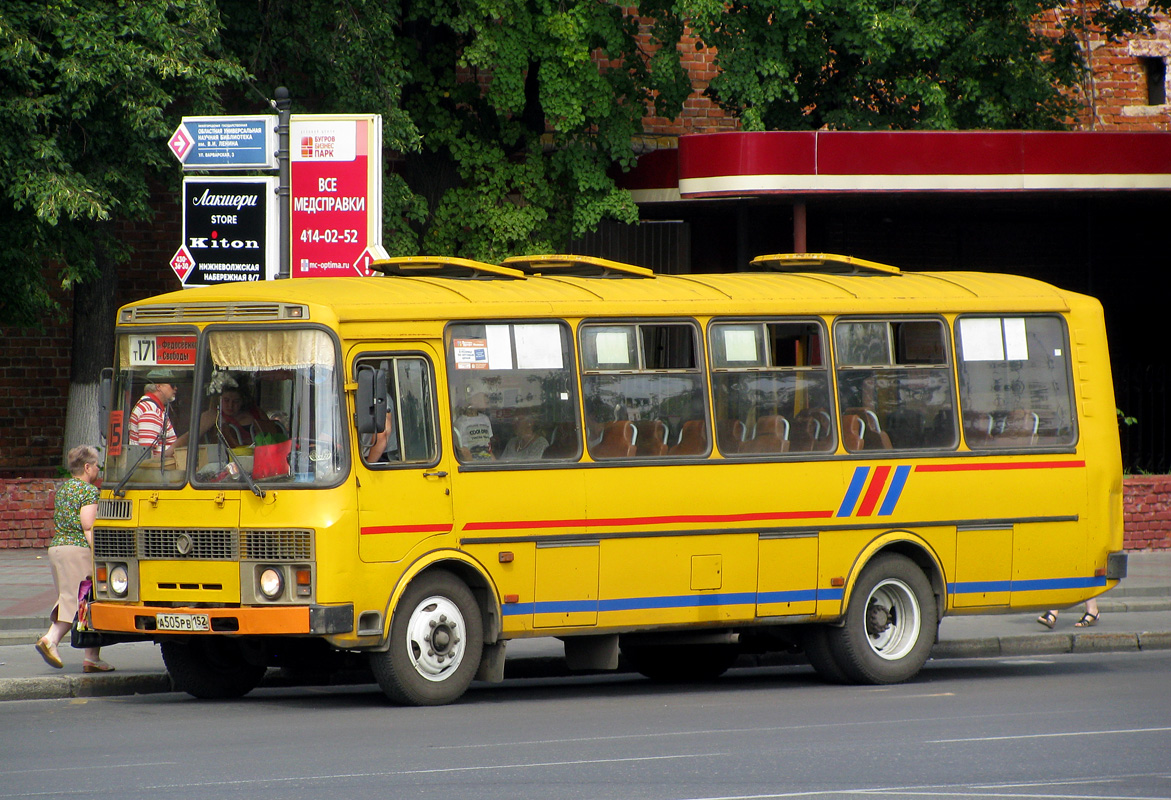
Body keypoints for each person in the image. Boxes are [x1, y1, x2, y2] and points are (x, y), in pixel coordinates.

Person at [35, 445, 113, 673]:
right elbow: (88, 525)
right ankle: (51, 639)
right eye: (96, 464)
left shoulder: (64, 489)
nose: (98, 469)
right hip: (77, 550)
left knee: (81, 599)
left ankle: (92, 657)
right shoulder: (88, 491)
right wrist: (100, 553)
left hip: (57, 548)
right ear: (87, 467)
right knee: (79, 600)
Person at [127, 370, 189, 457]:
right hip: (155, 469)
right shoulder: (151, 411)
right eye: (172, 384)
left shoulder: (150, 406)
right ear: (159, 386)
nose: (175, 388)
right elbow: (146, 455)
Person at [200, 386, 275, 448]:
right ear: (219, 400)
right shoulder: (212, 415)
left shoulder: (257, 413)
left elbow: (274, 438)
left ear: (242, 401)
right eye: (226, 400)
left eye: (236, 401)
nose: (230, 405)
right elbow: (189, 439)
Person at [454, 391, 494, 460]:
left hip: (487, 462)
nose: (487, 399)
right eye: (483, 397)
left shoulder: (485, 419)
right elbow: (462, 450)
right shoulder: (460, 423)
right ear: (474, 399)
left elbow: (488, 447)